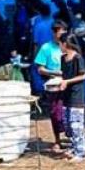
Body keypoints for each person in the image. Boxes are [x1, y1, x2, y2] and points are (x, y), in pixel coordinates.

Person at [35, 21, 69, 149]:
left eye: (64, 33)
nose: (62, 36)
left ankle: (71, 137)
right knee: (55, 112)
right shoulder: (46, 48)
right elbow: (40, 68)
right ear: (54, 33)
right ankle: (57, 139)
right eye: (60, 33)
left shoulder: (68, 46)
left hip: (69, 82)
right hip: (53, 83)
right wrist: (55, 72)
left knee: (69, 111)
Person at [59, 34, 85, 162]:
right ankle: (73, 146)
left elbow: (83, 76)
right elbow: (63, 74)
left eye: (60, 43)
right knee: (67, 123)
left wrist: (68, 81)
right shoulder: (63, 58)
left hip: (76, 95)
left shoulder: (78, 58)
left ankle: (80, 152)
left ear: (66, 44)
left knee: (76, 124)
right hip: (66, 94)